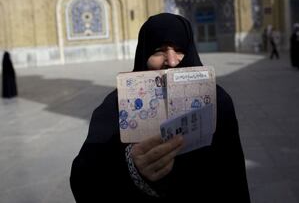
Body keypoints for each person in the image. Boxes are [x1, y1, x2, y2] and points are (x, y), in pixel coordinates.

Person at [70, 13, 250, 201]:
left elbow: (233, 175)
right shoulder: (117, 104)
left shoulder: (217, 100)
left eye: (179, 50)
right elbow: (83, 177)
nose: (171, 61)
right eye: (159, 50)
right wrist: (131, 167)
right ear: (144, 53)